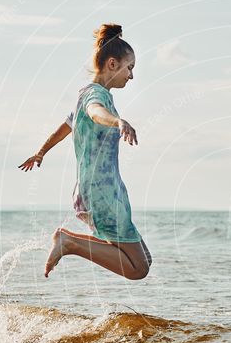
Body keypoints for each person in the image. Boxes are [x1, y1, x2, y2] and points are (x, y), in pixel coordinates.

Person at [19, 23, 152, 280]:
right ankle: (69, 242)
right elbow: (95, 113)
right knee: (138, 269)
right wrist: (118, 121)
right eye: (130, 68)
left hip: (99, 192)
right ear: (112, 64)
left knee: (144, 259)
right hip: (101, 194)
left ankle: (69, 242)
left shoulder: (87, 95)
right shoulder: (95, 96)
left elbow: (68, 125)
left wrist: (41, 151)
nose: (132, 76)